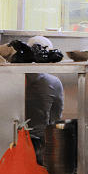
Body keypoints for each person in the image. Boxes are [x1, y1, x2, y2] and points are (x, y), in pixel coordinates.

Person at [24, 36, 65, 164]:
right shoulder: (53, 82)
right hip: (41, 145)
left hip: (12, 142)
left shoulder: (12, 78)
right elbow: (56, 116)